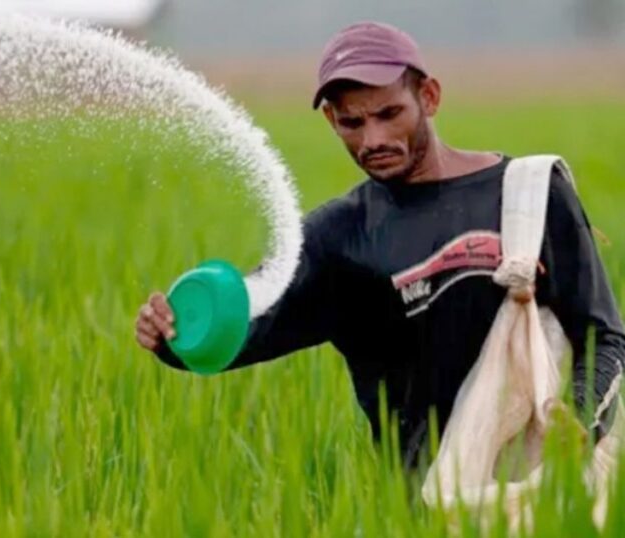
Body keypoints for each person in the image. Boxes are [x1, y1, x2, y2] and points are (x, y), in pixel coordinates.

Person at [134, 21, 625, 465]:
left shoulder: (528, 195)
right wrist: (173, 335)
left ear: (428, 97)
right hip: (424, 507)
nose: (373, 140)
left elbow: (603, 334)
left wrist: (579, 420)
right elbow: (246, 327)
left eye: (390, 114)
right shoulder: (338, 238)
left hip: (542, 484)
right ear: (332, 120)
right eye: (352, 123)